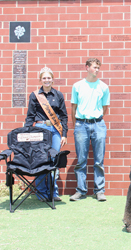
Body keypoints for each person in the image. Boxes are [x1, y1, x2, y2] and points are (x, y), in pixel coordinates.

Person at [25, 67, 68, 202]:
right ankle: (42, 193)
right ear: (40, 80)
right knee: (40, 160)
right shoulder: (35, 95)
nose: (47, 80)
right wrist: (27, 133)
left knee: (54, 160)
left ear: (52, 79)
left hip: (55, 129)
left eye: (49, 77)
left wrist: (64, 134)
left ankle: (53, 193)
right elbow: (30, 116)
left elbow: (64, 116)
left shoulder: (58, 95)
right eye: (44, 78)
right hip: (39, 129)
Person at [70, 58, 110, 202]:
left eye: (98, 68)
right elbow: (73, 107)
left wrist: (95, 118)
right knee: (81, 160)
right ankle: (81, 190)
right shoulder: (77, 86)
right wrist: (77, 124)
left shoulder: (104, 87)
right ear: (86, 67)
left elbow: (105, 108)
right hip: (81, 124)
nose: (97, 70)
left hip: (98, 124)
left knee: (99, 160)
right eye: (94, 67)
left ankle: (99, 191)